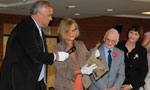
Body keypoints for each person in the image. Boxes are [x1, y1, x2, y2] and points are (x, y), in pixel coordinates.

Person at [0, 1, 69, 90]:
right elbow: (35, 54)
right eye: (49, 15)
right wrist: (56, 56)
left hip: (34, 82)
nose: (51, 18)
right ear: (39, 14)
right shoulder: (26, 27)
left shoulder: (37, 29)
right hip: (20, 83)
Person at [53, 18, 97, 90]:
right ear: (63, 32)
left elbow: (87, 58)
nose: (72, 33)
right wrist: (81, 71)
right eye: (68, 31)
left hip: (82, 83)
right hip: (65, 85)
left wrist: (94, 55)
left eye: (73, 30)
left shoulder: (80, 44)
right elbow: (63, 70)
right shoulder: (58, 48)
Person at [116, 25, 148, 90]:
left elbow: (143, 71)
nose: (132, 36)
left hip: (134, 85)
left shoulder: (142, 51)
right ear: (128, 33)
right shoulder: (118, 46)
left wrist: (131, 86)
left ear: (139, 37)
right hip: (117, 84)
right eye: (131, 32)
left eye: (136, 34)